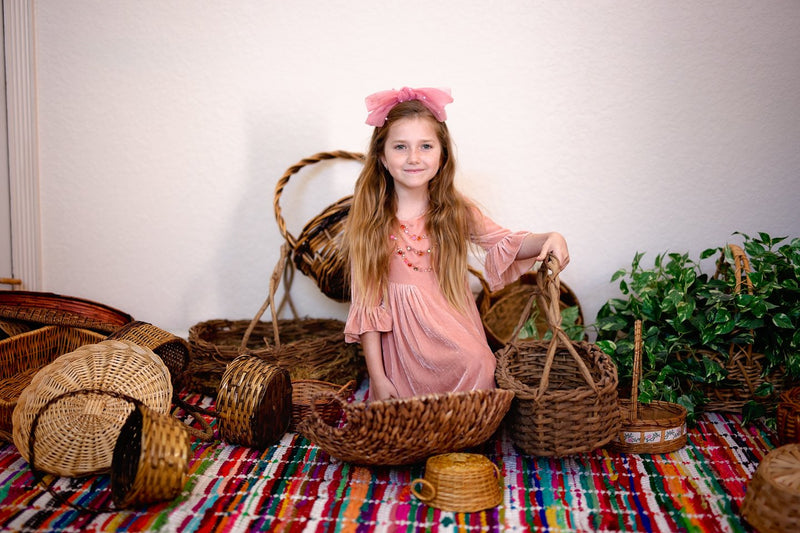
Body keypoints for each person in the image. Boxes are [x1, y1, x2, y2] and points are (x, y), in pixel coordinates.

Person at [342, 87, 569, 401]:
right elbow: (367, 305)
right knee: (404, 411)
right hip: (403, 345)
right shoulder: (372, 221)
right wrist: (378, 378)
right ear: (381, 156)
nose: (413, 158)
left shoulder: (453, 211)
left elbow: (505, 242)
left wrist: (550, 238)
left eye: (425, 146)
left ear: (442, 154)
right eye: (400, 147)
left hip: (450, 331)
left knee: (480, 363)